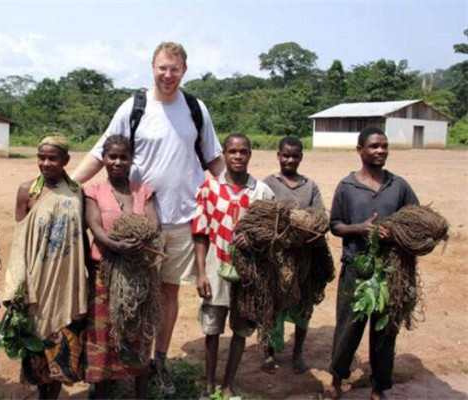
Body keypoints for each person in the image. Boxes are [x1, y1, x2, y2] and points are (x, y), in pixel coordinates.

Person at [72, 41, 224, 394]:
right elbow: (100, 151)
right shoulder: (134, 107)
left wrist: (246, 191)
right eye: (162, 68)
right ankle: (116, 363)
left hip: (184, 218)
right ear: (152, 68)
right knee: (130, 291)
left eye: (174, 68)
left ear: (184, 70)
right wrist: (65, 186)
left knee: (168, 293)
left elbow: (213, 158)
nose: (168, 75)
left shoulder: (196, 109)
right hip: (138, 221)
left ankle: (156, 361)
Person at [325, 127, 419, 400]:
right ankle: (336, 380)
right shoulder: (347, 186)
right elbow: (335, 226)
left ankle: (379, 387)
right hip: (357, 268)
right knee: (348, 328)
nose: (380, 151)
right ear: (360, 150)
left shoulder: (399, 185)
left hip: (391, 270)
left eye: (384, 146)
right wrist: (361, 229)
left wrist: (397, 234)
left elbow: (416, 219)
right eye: (374, 146)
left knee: (385, 331)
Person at [5, 135, 89, 400]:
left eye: (53, 158)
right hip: (37, 283)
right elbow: (19, 243)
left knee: (64, 347)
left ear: (66, 160)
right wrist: (15, 286)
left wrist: (88, 274)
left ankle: (53, 394)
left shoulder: (77, 191)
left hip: (68, 283)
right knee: (38, 346)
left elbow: (82, 239)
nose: (46, 163)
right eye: (41, 157)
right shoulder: (27, 191)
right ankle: (45, 395)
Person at [193, 133, 274, 397]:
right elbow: (201, 233)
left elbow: (273, 235)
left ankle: (227, 384)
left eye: (243, 151)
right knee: (212, 329)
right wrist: (201, 273)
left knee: (240, 329)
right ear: (224, 155)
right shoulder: (209, 189)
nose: (238, 156)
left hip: (249, 273)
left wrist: (254, 240)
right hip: (216, 267)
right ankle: (208, 384)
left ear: (250, 154)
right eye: (232, 151)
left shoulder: (261, 192)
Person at [84, 135, 160, 399]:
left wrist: (137, 241)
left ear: (131, 160)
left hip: (139, 276)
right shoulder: (92, 192)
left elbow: (153, 225)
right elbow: (94, 226)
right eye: (112, 156)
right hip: (104, 275)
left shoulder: (143, 191)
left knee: (138, 333)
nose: (117, 162)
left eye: (123, 157)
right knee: (103, 337)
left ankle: (141, 394)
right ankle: (102, 391)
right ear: (104, 159)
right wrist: (115, 245)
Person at [262, 135, 325, 374]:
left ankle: (298, 353)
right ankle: (269, 352)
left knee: (303, 306)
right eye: (285, 155)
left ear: (301, 157)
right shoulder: (268, 184)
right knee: (270, 306)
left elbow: (319, 218)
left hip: (303, 259)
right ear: (278, 156)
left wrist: (303, 226)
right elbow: (261, 216)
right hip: (274, 259)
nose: (290, 159)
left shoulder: (310, 186)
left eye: (295, 155)